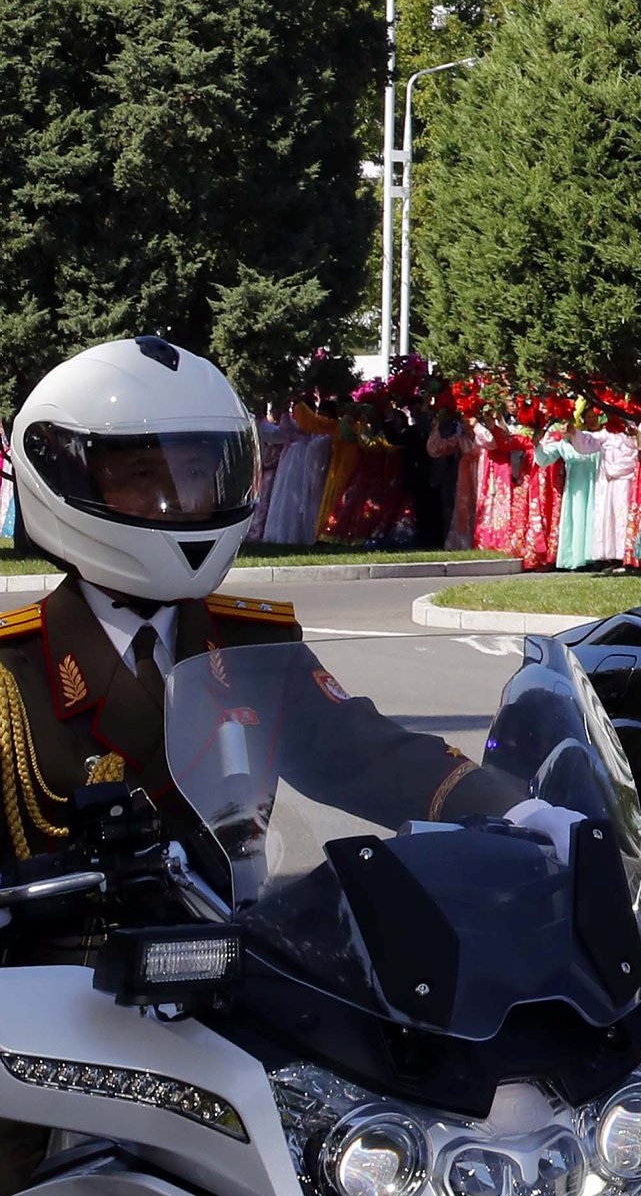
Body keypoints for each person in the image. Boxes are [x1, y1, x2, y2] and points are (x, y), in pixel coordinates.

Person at [0, 337, 535, 862]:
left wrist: (518, 813)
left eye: (195, 473)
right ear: (66, 476)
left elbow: (364, 756)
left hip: (237, 939)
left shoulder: (253, 647)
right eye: (144, 474)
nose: (183, 500)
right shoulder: (11, 671)